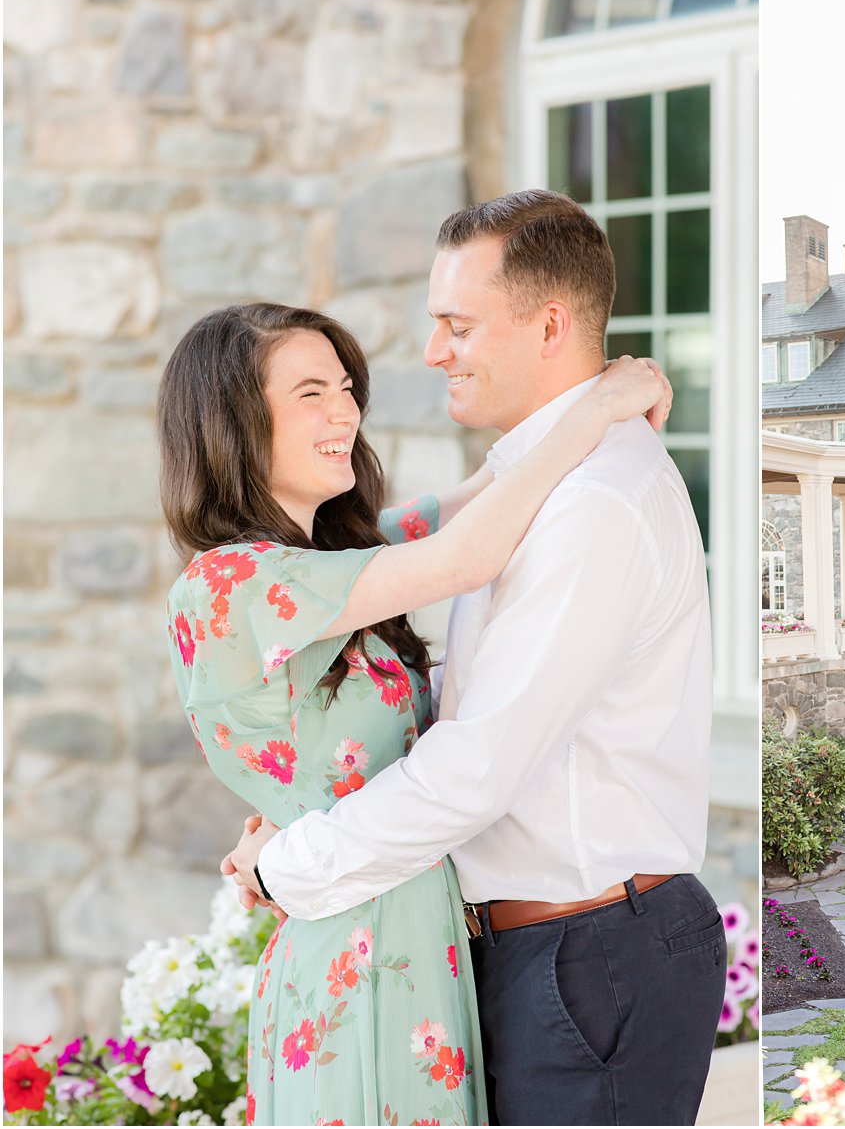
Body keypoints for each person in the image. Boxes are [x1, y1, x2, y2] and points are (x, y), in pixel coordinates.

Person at [222, 190, 728, 1126]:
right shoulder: (533, 486)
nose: (431, 352)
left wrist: (290, 866)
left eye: (457, 325)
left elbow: (475, 767)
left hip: (590, 956)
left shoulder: (589, 505)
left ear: (549, 325)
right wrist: (604, 400)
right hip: (555, 951)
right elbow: (439, 544)